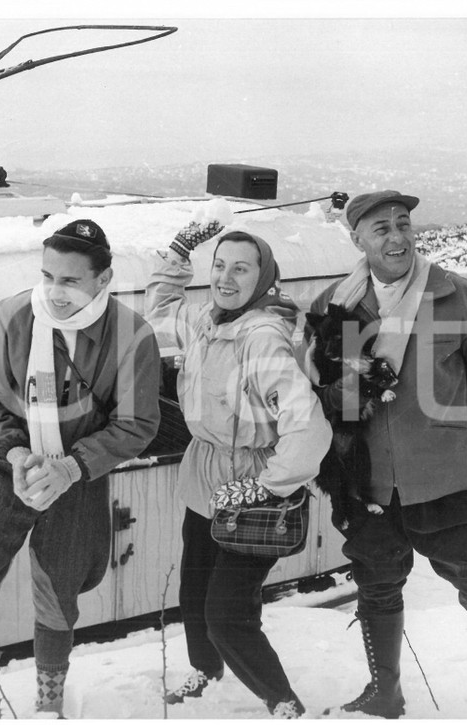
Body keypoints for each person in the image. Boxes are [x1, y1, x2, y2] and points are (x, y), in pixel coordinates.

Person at [0, 220, 161, 718]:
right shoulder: (11, 316)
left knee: (58, 590)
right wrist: (17, 453)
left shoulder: (132, 335)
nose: (55, 292)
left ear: (103, 279)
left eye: (70, 281)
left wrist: (71, 467)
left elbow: (137, 424)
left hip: (77, 482)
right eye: (48, 277)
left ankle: (49, 705)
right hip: (5, 473)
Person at [308, 191, 467, 719]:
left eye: (403, 224)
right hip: (370, 487)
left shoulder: (463, 298)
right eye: (381, 228)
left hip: (449, 484)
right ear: (357, 240)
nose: (397, 237)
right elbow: (319, 394)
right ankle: (384, 696)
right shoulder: (332, 306)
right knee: (376, 590)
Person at [145, 211, 332, 719]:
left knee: (227, 612)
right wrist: (179, 253)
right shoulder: (208, 321)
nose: (226, 279)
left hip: (253, 492)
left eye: (241, 270)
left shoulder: (261, 337)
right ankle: (207, 673)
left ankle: (283, 703)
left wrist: (268, 487)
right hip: (206, 477)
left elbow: (308, 427)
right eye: (219, 266)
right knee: (194, 593)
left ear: (264, 279)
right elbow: (161, 310)